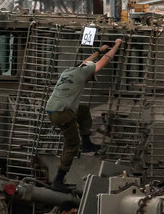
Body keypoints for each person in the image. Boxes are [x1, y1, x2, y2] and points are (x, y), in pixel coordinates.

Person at [46, 39, 123, 192]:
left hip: (53, 110)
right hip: (63, 114)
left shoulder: (69, 71)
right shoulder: (84, 74)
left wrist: (99, 51)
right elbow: (104, 61)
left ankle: (87, 142)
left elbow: (85, 63)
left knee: (83, 110)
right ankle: (58, 180)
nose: (89, 80)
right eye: (91, 77)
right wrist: (116, 45)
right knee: (72, 145)